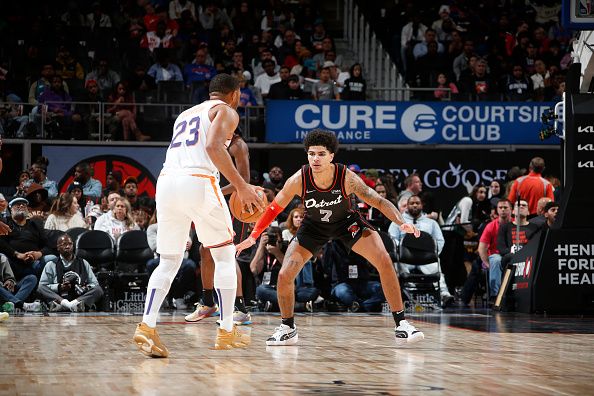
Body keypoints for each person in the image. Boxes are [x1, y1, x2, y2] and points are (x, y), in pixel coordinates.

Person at [236, 129, 424, 346]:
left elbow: (379, 202)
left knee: (384, 261)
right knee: (285, 274)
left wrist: (402, 222)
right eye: (311, 153)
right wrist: (253, 236)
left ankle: (402, 324)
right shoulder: (299, 179)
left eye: (321, 154)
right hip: (314, 227)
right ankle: (288, 328)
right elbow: (273, 208)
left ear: (332, 156)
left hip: (347, 224)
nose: (315, 158)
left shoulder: (346, 178)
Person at [133, 73, 265, 357]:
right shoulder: (226, 110)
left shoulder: (185, 114)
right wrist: (242, 187)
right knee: (224, 256)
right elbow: (212, 147)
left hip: (166, 183)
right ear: (234, 94)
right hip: (198, 180)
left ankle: (146, 326)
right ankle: (227, 330)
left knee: (168, 262)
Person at [185, 128, 253, 326]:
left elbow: (244, 182)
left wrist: (213, 192)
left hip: (234, 205)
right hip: (214, 203)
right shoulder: (210, 145)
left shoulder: (237, 146)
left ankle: (240, 309)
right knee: (204, 250)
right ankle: (208, 303)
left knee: (227, 252)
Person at [37, 234, 103, 312]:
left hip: (79, 297)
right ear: (58, 248)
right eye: (64, 244)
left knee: (98, 290)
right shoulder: (51, 264)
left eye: (70, 244)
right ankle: (69, 305)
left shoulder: (83, 263)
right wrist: (59, 287)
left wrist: (85, 287)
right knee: (40, 288)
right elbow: (43, 286)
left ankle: (68, 305)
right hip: (59, 297)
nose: (68, 246)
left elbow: (94, 284)